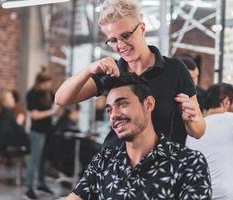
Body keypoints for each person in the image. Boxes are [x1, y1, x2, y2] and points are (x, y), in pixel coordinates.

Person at [55, 0, 205, 146]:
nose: (120, 45)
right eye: (113, 40)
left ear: (142, 28)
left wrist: (193, 118)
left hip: (160, 165)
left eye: (126, 35)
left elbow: (198, 132)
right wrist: (89, 69)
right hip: (115, 163)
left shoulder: (174, 69)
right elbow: (61, 99)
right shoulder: (112, 72)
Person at [66, 73, 211, 200]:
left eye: (122, 104)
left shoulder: (188, 163)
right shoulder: (105, 160)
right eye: (109, 109)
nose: (114, 115)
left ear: (148, 104)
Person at [186, 83, 233, 200]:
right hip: (224, 195)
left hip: (197, 194)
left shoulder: (192, 130)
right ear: (226, 102)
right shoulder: (229, 119)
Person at [23, 71, 59, 200]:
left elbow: (56, 104)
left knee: (44, 160)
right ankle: (29, 189)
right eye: (47, 83)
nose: (49, 86)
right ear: (40, 83)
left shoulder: (49, 93)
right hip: (37, 132)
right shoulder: (31, 94)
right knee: (34, 160)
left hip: (48, 131)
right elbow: (34, 115)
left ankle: (41, 184)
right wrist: (50, 112)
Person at [0, 90, 29, 159]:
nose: (13, 99)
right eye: (11, 98)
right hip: (9, 149)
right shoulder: (7, 115)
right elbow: (19, 134)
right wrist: (19, 125)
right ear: (4, 102)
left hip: (2, 149)